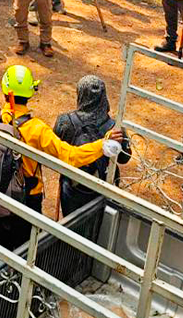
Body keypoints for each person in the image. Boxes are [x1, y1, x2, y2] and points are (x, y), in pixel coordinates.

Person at [0, 65, 124, 252]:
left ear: (6, 92)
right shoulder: (37, 129)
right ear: (31, 93)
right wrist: (102, 146)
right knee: (25, 248)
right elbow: (71, 156)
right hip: (27, 197)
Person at [53, 76, 132, 217]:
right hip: (104, 188)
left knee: (71, 225)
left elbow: (55, 150)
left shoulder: (65, 121)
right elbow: (124, 159)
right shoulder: (115, 128)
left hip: (72, 186)